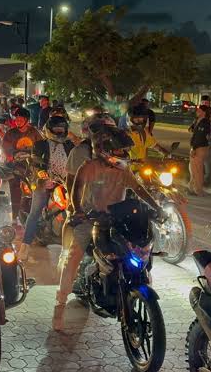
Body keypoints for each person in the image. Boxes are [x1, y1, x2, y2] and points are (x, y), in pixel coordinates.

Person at [53, 126, 164, 331]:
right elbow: (76, 191)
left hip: (118, 218)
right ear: (105, 150)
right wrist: (78, 211)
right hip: (91, 218)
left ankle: (142, 289)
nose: (125, 154)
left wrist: (157, 208)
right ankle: (60, 304)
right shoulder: (88, 167)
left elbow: (138, 189)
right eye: (120, 150)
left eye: (125, 150)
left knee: (140, 251)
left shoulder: (123, 169)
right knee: (74, 256)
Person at [19, 116, 75, 261]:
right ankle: (25, 246)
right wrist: (43, 178)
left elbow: (78, 163)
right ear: (49, 130)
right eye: (55, 129)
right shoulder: (40, 145)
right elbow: (35, 162)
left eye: (61, 129)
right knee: (35, 211)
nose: (58, 132)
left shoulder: (71, 145)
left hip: (66, 183)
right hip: (44, 182)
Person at [1, 108, 42, 222]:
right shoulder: (11, 133)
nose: (18, 121)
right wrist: (12, 156)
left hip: (31, 166)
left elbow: (42, 146)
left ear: (26, 120)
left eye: (20, 119)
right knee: (14, 188)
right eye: (16, 119)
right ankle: (14, 216)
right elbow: (6, 148)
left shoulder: (34, 132)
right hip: (15, 166)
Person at [188, 105, 211, 196]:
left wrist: (194, 148)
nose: (197, 111)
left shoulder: (205, 122)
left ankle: (198, 190)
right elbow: (191, 130)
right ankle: (192, 188)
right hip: (196, 147)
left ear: (203, 112)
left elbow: (200, 137)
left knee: (197, 170)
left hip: (199, 147)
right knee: (193, 170)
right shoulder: (198, 121)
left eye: (199, 110)